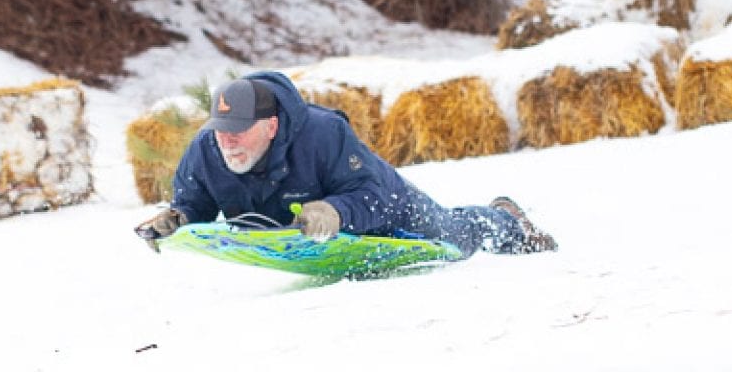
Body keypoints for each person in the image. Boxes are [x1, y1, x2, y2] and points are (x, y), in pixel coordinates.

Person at [135, 70, 556, 255]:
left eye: (239, 128)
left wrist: (335, 211)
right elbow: (196, 201)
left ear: (271, 125)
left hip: (387, 204)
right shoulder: (207, 147)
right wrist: (177, 217)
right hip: (298, 233)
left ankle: (506, 222)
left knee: (455, 237)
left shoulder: (323, 134)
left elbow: (378, 195)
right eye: (220, 127)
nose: (227, 139)